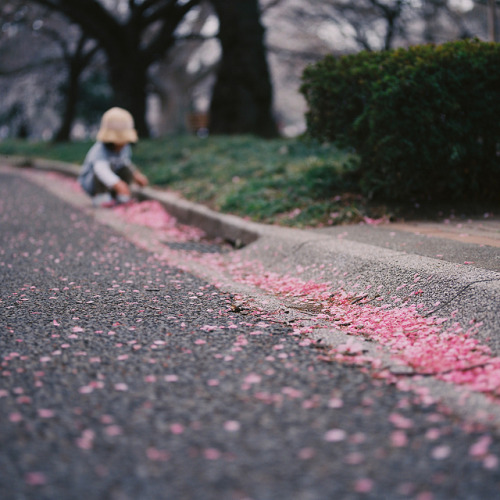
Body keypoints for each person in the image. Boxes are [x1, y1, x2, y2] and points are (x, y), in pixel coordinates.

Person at [79, 107, 149, 207]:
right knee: (105, 168)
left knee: (127, 169)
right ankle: (101, 196)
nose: (124, 144)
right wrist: (118, 184)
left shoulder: (125, 148)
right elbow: (102, 171)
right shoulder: (100, 150)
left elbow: (125, 162)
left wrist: (136, 175)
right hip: (92, 183)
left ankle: (119, 196)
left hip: (112, 182)